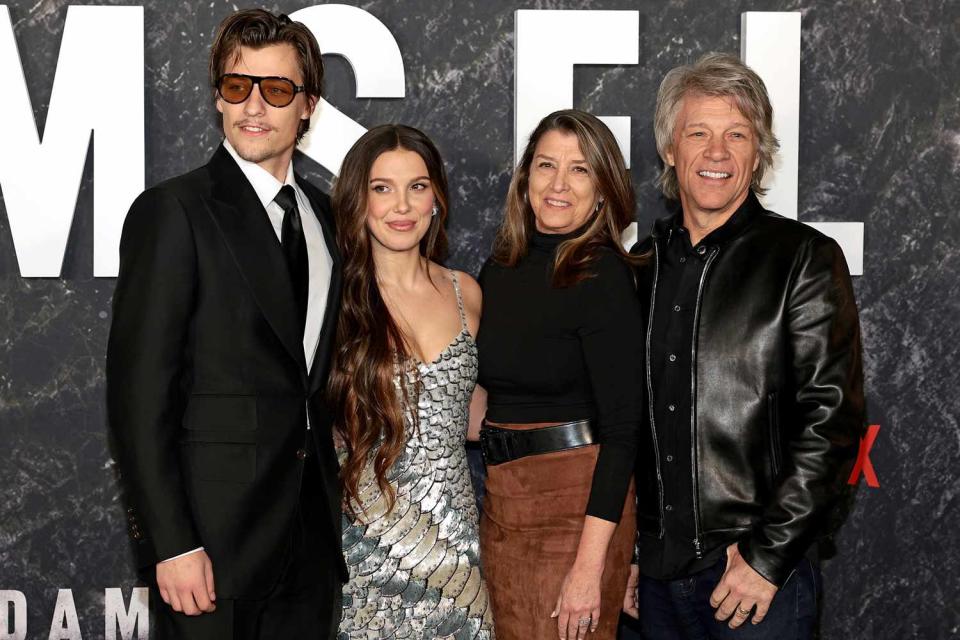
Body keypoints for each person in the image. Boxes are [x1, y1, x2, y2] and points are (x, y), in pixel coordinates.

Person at [106, 10, 346, 639]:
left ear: (308, 106)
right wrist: (173, 542)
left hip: (309, 546)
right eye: (238, 87)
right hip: (210, 551)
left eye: (276, 89)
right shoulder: (174, 211)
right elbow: (139, 397)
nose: (253, 107)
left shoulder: (325, 217)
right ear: (219, 96)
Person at [622, 53, 864, 639]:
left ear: (758, 155)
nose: (717, 152)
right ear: (669, 150)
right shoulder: (638, 270)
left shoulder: (803, 258)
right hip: (651, 588)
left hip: (754, 587)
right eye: (698, 133)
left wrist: (766, 557)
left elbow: (830, 424)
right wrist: (628, 552)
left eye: (737, 135)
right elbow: (624, 425)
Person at [477, 109, 644, 640]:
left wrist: (589, 568)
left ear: (602, 190)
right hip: (501, 501)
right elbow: (487, 398)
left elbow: (623, 432)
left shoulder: (604, 274)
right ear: (525, 179)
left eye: (579, 169)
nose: (558, 183)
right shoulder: (499, 270)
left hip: (576, 508)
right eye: (547, 164)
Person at [328, 124, 493, 639]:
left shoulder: (467, 292)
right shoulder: (332, 300)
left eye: (417, 186)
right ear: (359, 199)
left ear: (437, 198)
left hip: (460, 560)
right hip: (367, 557)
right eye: (382, 188)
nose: (402, 205)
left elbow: (472, 413)